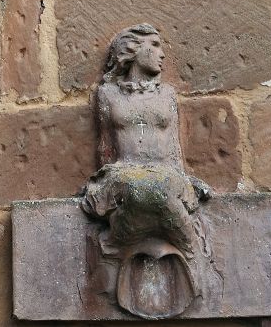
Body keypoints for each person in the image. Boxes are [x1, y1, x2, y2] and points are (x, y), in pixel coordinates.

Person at [80, 24, 211, 318]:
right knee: (140, 191)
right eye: (154, 45)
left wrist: (184, 181)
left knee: (159, 190)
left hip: (164, 173)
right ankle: (116, 244)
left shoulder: (167, 94)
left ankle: (188, 251)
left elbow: (174, 148)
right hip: (124, 173)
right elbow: (106, 149)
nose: (162, 54)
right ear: (132, 51)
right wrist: (105, 182)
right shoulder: (108, 94)